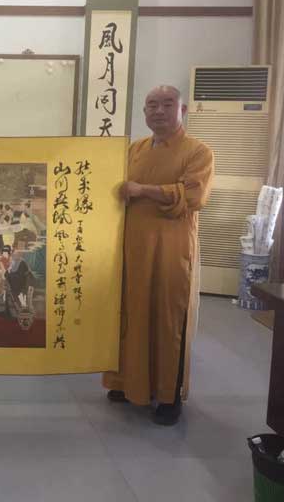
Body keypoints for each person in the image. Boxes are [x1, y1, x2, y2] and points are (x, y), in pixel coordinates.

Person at [102, 85, 214, 426]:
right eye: (152, 105)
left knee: (167, 318)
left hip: (170, 248)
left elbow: (193, 196)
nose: (159, 111)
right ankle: (126, 382)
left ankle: (167, 396)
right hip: (131, 246)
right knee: (130, 313)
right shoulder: (135, 149)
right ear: (145, 112)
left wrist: (143, 190)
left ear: (182, 110)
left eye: (167, 104)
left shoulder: (198, 151)